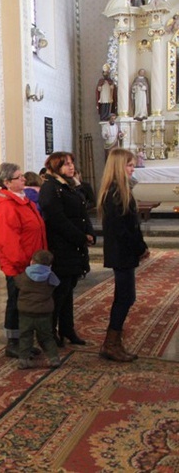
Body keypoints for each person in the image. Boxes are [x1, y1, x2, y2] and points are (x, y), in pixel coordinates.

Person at [0, 162, 47, 358]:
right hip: (19, 266)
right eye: (18, 177)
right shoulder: (6, 206)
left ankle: (25, 341)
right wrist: (24, 263)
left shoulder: (23, 201)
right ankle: (13, 343)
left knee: (28, 305)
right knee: (16, 303)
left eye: (22, 175)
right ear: (6, 182)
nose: (23, 179)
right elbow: (8, 241)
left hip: (32, 263)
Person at [97, 148, 149, 362]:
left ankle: (114, 341)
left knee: (127, 297)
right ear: (118, 166)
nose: (132, 168)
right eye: (129, 165)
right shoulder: (116, 193)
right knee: (124, 298)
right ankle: (110, 343)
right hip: (122, 251)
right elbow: (125, 229)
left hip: (124, 251)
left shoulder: (121, 190)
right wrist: (140, 248)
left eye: (133, 164)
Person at [39, 152, 95, 347]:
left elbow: (82, 212)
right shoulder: (50, 188)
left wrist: (89, 232)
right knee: (59, 292)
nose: (71, 167)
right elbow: (57, 219)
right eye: (66, 164)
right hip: (62, 247)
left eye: (71, 163)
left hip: (74, 246)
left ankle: (67, 329)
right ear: (56, 167)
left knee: (68, 290)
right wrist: (80, 237)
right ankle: (50, 333)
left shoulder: (70, 187)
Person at [14, 249, 61, 369]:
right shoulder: (50, 276)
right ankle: (53, 358)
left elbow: (17, 282)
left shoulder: (24, 275)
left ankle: (23, 360)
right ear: (50, 265)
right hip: (44, 313)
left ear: (32, 262)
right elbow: (56, 285)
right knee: (46, 336)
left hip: (26, 312)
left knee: (25, 336)